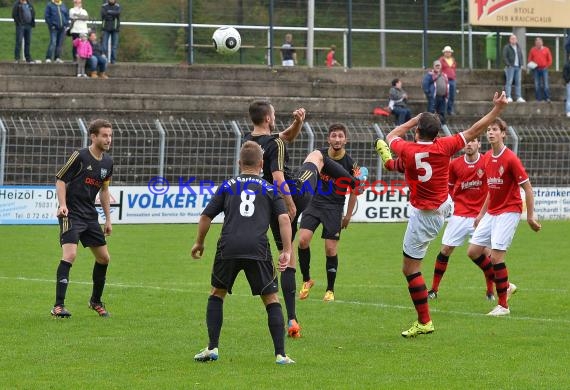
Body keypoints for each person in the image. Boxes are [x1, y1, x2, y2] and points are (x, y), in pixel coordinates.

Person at [373, 91, 508, 337]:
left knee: (410, 269)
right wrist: (497, 109)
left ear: (416, 131)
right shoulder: (445, 146)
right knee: (434, 252)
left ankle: (424, 321)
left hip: (425, 215)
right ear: (437, 133)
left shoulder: (408, 148)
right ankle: (429, 314)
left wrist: (412, 120)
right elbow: (475, 129)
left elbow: (391, 136)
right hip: (443, 207)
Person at [243, 101, 358, 338]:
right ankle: (354, 182)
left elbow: (286, 135)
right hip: (294, 194)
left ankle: (292, 320)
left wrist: (298, 123)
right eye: (274, 114)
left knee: (287, 256)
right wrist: (290, 202)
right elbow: (277, 176)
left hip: (269, 207)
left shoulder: (250, 142)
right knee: (317, 156)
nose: (275, 117)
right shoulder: (275, 143)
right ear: (268, 118)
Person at [191, 141, 295, 365]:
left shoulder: (228, 185)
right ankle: (280, 355)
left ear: (239, 163)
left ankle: (212, 347)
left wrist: (199, 243)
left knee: (217, 294)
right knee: (271, 299)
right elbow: (284, 218)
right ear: (261, 163)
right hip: (257, 248)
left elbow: (205, 217)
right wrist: (286, 250)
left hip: (228, 247)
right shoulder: (269, 188)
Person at [467, 118, 541, 316]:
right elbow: (492, 189)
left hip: (509, 211)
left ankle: (503, 306)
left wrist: (530, 217)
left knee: (497, 258)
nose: (490, 132)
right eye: (489, 130)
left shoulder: (511, 159)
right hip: (493, 212)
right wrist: (481, 214)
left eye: (494, 130)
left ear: (503, 134)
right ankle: (506, 286)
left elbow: (527, 187)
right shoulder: (488, 157)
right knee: (473, 251)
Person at [51, 119, 114, 318]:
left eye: (110, 135)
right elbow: (61, 179)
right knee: (70, 255)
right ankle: (58, 307)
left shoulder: (108, 162)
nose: (108, 139)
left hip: (90, 216)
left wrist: (108, 219)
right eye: (104, 135)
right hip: (71, 214)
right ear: (93, 136)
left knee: (104, 258)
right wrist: (62, 205)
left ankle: (95, 301)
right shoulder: (80, 156)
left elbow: (104, 191)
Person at [297, 123, 360, 302]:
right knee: (302, 241)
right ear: (328, 139)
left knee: (330, 249)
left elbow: (355, 190)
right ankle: (307, 280)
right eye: (334, 136)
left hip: (334, 207)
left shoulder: (351, 165)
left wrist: (347, 216)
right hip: (314, 203)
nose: (337, 139)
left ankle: (330, 290)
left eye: (341, 136)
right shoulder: (319, 156)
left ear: (345, 139)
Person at [426, 138, 495, 301]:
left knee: (487, 253)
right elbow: (448, 188)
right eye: (467, 142)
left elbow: (493, 188)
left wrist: (486, 213)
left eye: (473, 142)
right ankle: (434, 290)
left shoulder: (486, 162)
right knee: (445, 250)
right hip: (459, 214)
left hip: (480, 216)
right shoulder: (454, 164)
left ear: (479, 144)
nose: (469, 144)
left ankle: (490, 291)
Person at [422, 60, 448, 124]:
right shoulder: (430, 75)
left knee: (442, 113)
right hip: (433, 97)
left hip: (442, 97)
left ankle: (441, 126)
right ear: (433, 66)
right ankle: (429, 126)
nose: (438, 67)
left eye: (439, 65)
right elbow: (425, 85)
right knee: (431, 113)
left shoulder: (443, 75)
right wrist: (429, 94)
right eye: (436, 65)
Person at [527, 37, 552, 102]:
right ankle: (538, 99)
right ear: (535, 43)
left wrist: (547, 66)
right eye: (537, 42)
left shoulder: (546, 49)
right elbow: (529, 59)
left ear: (542, 42)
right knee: (537, 84)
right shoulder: (532, 50)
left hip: (544, 69)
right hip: (535, 69)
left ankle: (547, 98)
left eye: (539, 42)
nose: (538, 44)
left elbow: (550, 60)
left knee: (546, 84)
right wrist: (532, 65)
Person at [503, 34, 526, 103]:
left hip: (518, 67)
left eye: (515, 39)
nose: (514, 40)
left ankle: (518, 97)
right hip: (510, 67)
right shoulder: (507, 47)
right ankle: (508, 96)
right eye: (512, 39)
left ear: (516, 40)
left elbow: (521, 56)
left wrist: (521, 64)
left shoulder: (518, 47)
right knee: (509, 82)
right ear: (510, 40)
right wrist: (508, 65)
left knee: (518, 82)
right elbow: (504, 57)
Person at [101, 0, 121, 64]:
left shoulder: (118, 6)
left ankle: (113, 60)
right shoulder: (104, 6)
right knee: (104, 45)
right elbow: (103, 15)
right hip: (106, 28)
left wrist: (109, 12)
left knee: (114, 46)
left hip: (115, 28)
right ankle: (105, 60)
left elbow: (118, 13)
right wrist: (113, 13)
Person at [439, 45, 457, 115]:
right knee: (445, 96)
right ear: (444, 53)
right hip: (445, 80)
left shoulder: (453, 60)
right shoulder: (441, 60)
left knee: (452, 96)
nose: (448, 53)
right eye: (446, 52)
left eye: (449, 52)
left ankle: (450, 110)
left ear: (451, 53)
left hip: (452, 80)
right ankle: (444, 110)